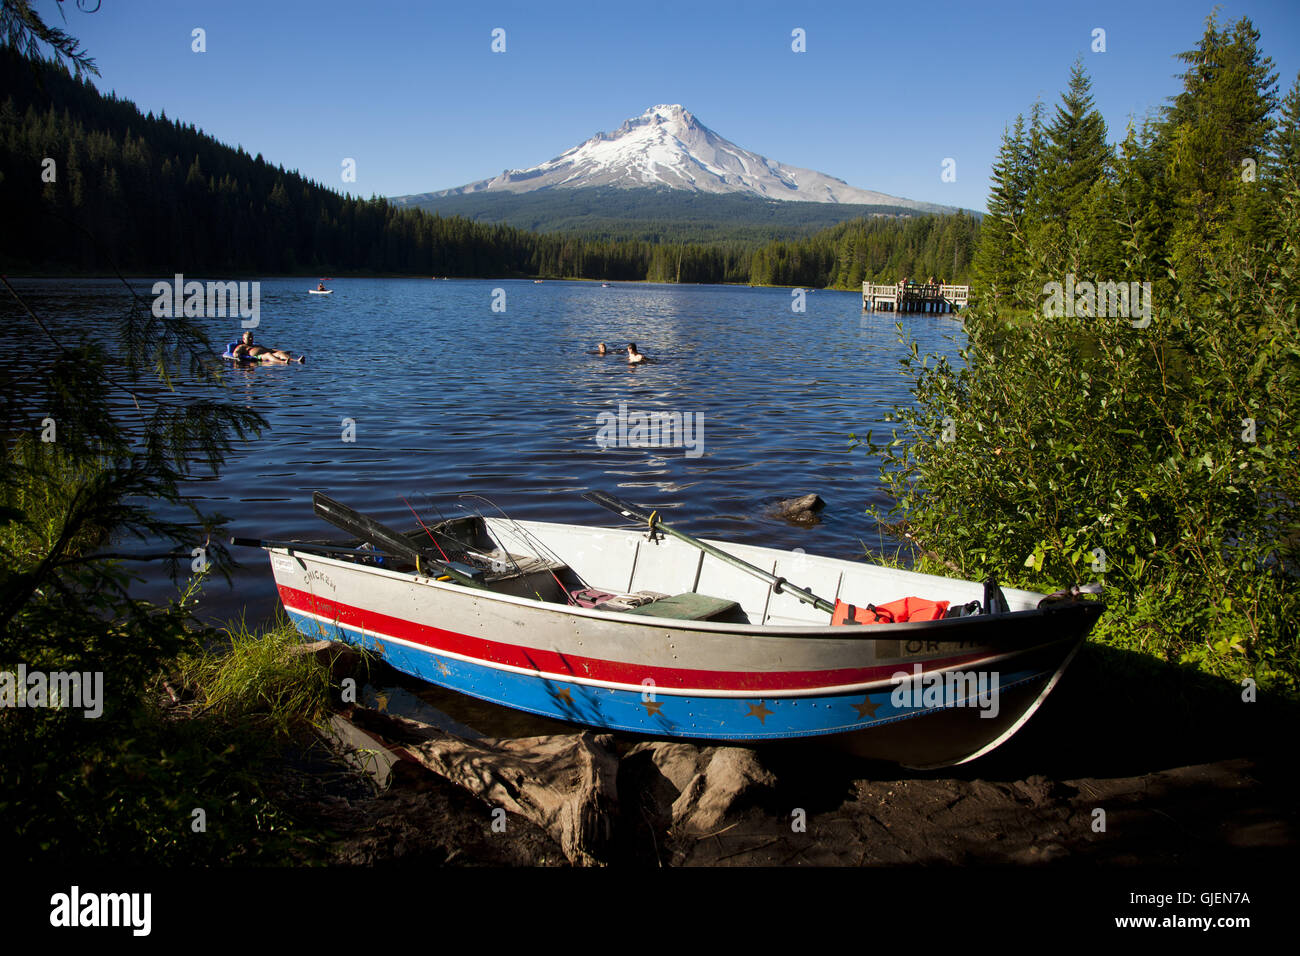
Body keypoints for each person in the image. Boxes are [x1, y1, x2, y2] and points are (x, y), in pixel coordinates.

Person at [232, 330, 304, 364]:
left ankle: (296, 360)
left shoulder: (256, 345)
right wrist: (237, 355)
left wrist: (281, 351)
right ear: (244, 339)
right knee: (268, 355)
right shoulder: (242, 346)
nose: (251, 339)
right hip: (259, 357)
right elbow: (236, 352)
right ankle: (283, 362)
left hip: (267, 353)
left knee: (279, 353)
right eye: (249, 338)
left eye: (252, 337)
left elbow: (269, 349)